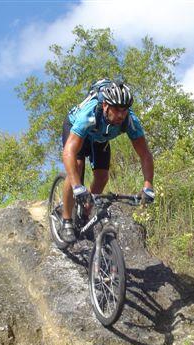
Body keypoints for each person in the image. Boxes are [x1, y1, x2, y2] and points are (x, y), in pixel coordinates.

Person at [60, 80, 155, 243]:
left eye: (125, 111)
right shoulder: (89, 114)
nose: (120, 115)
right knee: (76, 167)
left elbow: (145, 154)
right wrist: (78, 186)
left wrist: (148, 185)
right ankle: (67, 220)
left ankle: (85, 212)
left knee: (102, 177)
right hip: (77, 130)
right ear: (105, 105)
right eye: (117, 110)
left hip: (100, 138)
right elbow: (69, 151)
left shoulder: (130, 121)